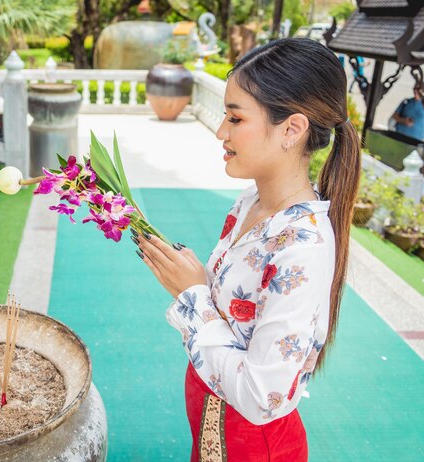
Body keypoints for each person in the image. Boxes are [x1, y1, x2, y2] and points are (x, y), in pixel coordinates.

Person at [132, 38, 360, 461]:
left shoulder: (302, 246)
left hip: (254, 447)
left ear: (292, 129)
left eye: (235, 118)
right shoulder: (249, 205)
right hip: (212, 426)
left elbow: (261, 397)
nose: (221, 132)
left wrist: (193, 296)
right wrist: (196, 277)